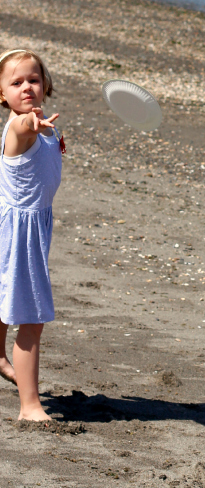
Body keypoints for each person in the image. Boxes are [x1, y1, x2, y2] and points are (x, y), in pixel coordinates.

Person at [0, 48, 63, 421]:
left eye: (34, 80)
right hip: (18, 231)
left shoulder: (43, 122)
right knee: (30, 313)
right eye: (16, 82)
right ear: (1, 93)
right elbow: (23, 132)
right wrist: (32, 125)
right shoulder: (20, 128)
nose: (27, 87)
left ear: (46, 84)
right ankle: (30, 406)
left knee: (5, 295)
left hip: (22, 223)